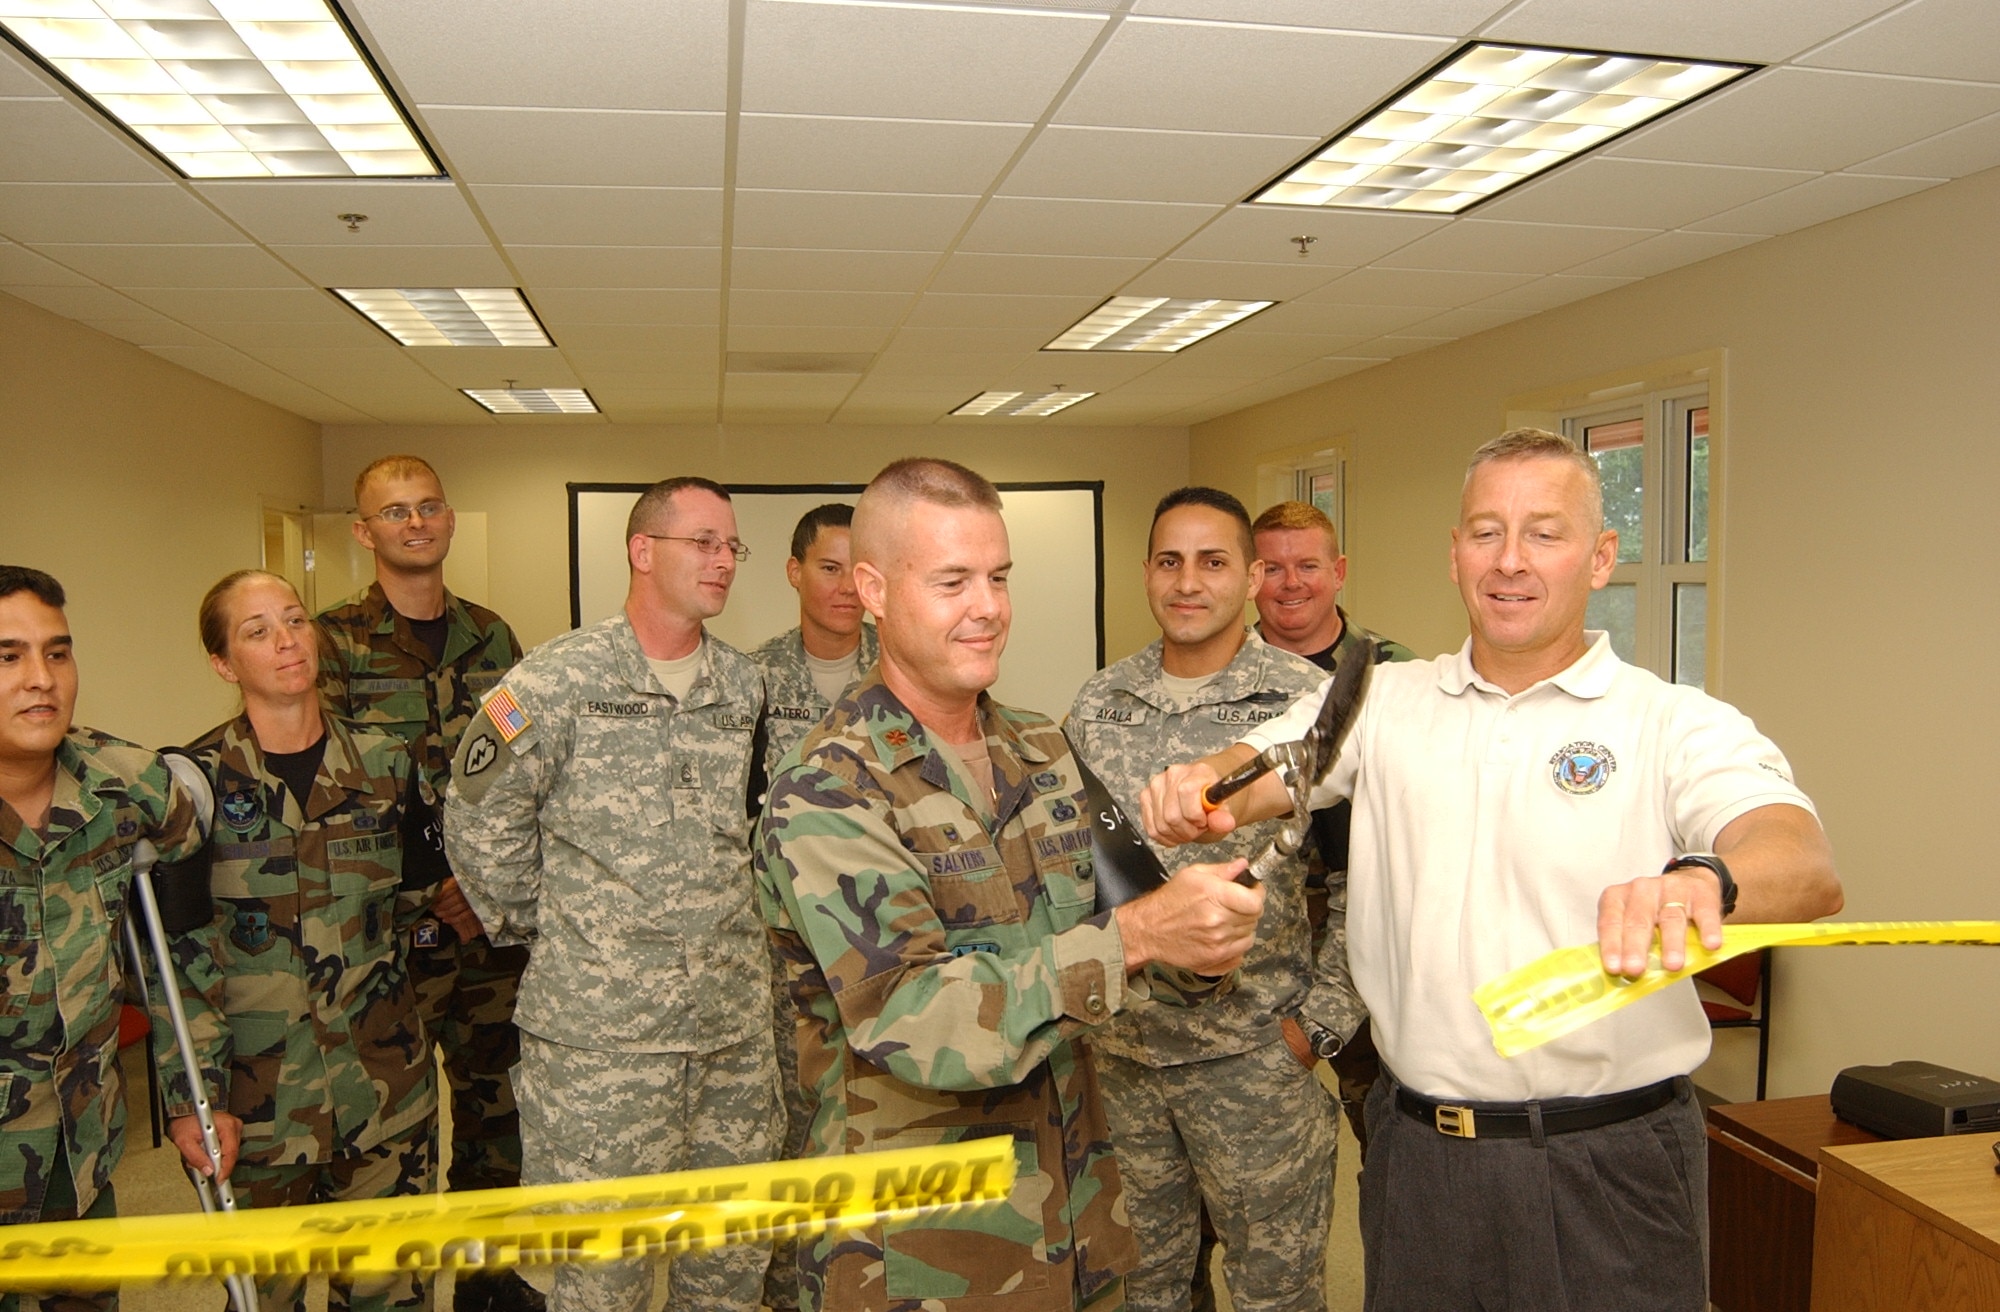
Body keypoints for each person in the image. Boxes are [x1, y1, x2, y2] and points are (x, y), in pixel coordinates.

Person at [1142, 430, 1844, 1312]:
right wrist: (1205, 785)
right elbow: (1271, 765)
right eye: (1486, 532)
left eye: (1544, 534)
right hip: (1420, 1158)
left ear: (1600, 558)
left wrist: (1705, 879)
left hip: (1612, 1160)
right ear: (1455, 554)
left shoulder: (1672, 721)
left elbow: (1803, 861)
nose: (1510, 562)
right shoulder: (1383, 699)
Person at [755, 457, 1268, 1312]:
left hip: (1075, 1231)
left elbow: (1133, 931)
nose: (988, 607)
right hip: (921, 1259)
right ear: (874, 591)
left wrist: (1201, 942)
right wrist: (1143, 937)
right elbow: (913, 1017)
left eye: (997, 578)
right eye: (952, 580)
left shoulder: (1045, 752)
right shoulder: (829, 790)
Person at [445, 477, 776, 1312]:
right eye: (704, 542)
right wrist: (553, 928)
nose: (724, 560)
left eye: (732, 546)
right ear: (642, 550)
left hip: (732, 1030)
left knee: (731, 1261)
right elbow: (478, 811)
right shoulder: (553, 682)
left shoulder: (744, 687)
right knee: (601, 1276)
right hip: (601, 1039)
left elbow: (751, 827)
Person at [1067, 488, 1345, 1312]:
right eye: (1169, 561)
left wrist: (1315, 1030)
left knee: (1276, 1294)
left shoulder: (1311, 709)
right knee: (1139, 1290)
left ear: (1254, 577)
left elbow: (1371, 883)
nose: (1188, 583)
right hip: (1123, 1065)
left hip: (1253, 1063)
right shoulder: (1098, 704)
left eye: (1213, 562)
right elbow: (1076, 867)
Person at [161, 569, 436, 1312]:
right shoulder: (190, 788)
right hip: (256, 1112)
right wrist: (189, 1099)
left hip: (386, 1095)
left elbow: (413, 903)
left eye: (294, 620)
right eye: (257, 631)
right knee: (262, 1301)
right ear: (224, 664)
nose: (286, 642)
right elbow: (174, 965)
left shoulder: (387, 766)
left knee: (392, 1298)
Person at [316, 456, 536, 1312]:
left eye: (429, 507)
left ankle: (490, 1286)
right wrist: (432, 885)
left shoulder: (496, 637)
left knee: (499, 1124)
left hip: (486, 928)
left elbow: (516, 766)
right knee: (389, 1134)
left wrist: (489, 883)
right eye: (394, 511)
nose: (416, 523)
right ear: (364, 531)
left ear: (448, 520)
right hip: (387, 933)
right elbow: (335, 787)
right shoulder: (331, 643)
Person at [0, 566, 208, 1312]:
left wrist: (192, 1095)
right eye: (8, 657)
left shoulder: (124, 782)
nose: (41, 680)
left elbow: (183, 937)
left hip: (79, 1163)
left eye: (58, 653)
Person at [1250, 500, 1415, 1155]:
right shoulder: (1219, 678)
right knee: (1229, 1138)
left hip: (1370, 920)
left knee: (1387, 1126)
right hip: (1255, 927)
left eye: (1309, 565)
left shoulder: (1396, 674)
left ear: (1338, 571)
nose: (1292, 584)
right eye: (1272, 567)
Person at [747, 501, 877, 1312]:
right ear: (795, 572)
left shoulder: (902, 675)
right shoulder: (748, 681)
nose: (843, 588)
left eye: (854, 570)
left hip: (876, 944)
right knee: (783, 1134)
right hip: (778, 959)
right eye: (826, 568)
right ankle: (786, 1293)